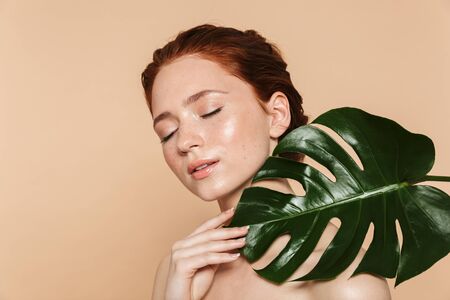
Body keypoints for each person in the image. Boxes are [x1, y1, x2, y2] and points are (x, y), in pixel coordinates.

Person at [141, 23, 391, 300]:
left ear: (276, 115)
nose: (184, 142)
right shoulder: (175, 270)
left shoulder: (344, 279)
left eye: (209, 111)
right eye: (168, 133)